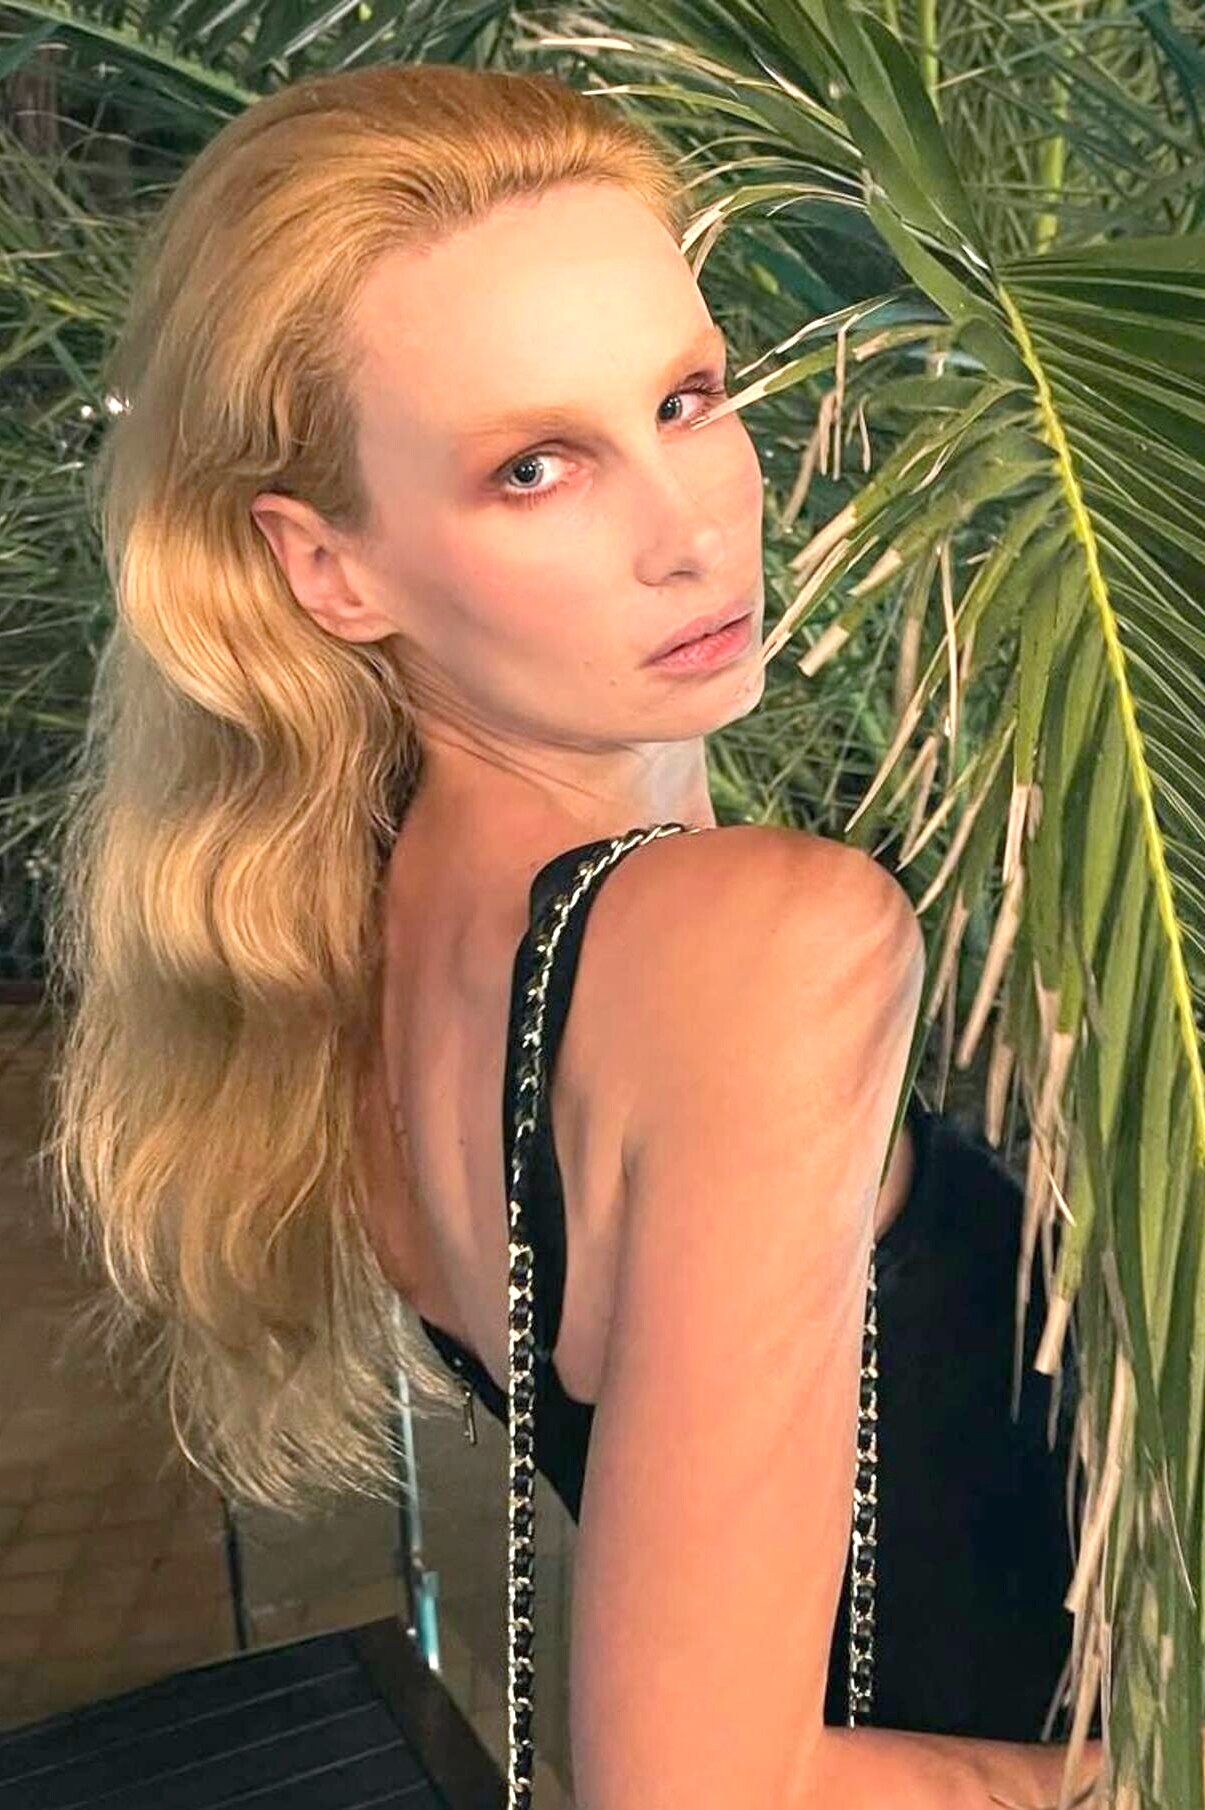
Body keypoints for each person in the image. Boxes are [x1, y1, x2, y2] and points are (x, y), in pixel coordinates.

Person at [42, 61, 1106, 1809]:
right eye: (533, 468)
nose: (690, 532)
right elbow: (691, 1784)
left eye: (686, 397)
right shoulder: (761, 941)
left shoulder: (368, 944)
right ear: (328, 568)